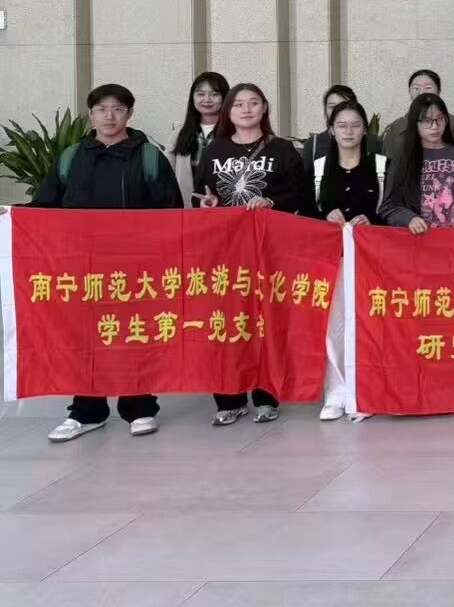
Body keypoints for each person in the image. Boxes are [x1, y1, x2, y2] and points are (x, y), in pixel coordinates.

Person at [34, 83, 183, 442]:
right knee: (85, 337)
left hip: (135, 268)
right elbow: (44, 207)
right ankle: (87, 411)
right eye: (102, 109)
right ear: (91, 115)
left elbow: (171, 211)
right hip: (82, 268)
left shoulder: (148, 157)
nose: (110, 116)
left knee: (133, 333)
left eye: (118, 109)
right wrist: (12, 215)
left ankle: (139, 407)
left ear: (130, 114)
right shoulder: (72, 157)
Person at [194, 82, 315, 426]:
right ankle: (229, 397)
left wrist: (273, 201)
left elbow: (302, 196)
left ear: (264, 108)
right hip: (226, 252)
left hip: (269, 250)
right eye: (238, 104)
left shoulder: (283, 150)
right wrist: (207, 204)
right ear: (228, 112)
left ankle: (266, 396)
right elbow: (202, 196)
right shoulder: (214, 151)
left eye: (253, 103)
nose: (246, 110)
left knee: (266, 321)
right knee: (227, 322)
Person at [312, 98, 384, 422]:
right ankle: (336, 393)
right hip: (332, 260)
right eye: (341, 125)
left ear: (365, 130)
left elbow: (392, 206)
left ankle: (365, 391)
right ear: (331, 129)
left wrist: (373, 220)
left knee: (370, 324)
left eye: (355, 125)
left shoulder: (381, 166)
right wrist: (324, 216)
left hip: (372, 260)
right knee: (334, 326)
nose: (349, 131)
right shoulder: (318, 169)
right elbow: (305, 210)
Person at [378, 93, 454, 233]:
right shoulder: (403, 158)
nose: (434, 126)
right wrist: (409, 219)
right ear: (415, 123)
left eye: (440, 119)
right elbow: (389, 206)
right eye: (426, 120)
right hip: (418, 239)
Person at [380, 69, 454, 160]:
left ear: (439, 91)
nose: (421, 93)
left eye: (428, 88)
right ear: (409, 92)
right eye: (416, 88)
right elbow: (387, 164)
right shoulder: (396, 127)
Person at [169, 71, 229, 200]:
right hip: (187, 205)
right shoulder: (179, 133)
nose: (207, 100)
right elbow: (168, 172)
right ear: (193, 98)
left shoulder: (235, 132)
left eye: (214, 94)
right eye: (200, 94)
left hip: (224, 205)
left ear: (225, 97)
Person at [298, 83, 358, 170]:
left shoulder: (369, 143)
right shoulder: (314, 144)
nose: (337, 110)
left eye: (343, 106)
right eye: (332, 106)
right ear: (325, 110)